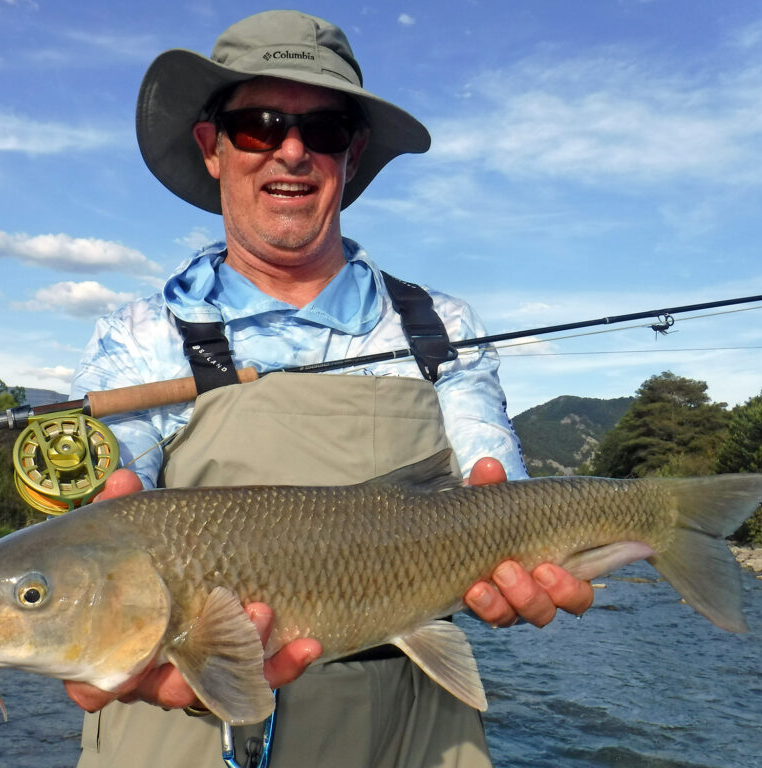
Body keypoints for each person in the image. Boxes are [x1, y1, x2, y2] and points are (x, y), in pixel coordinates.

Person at [65, 10, 593, 767]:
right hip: (186, 714)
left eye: (324, 130)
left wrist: (522, 560)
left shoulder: (438, 326)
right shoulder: (140, 335)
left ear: (353, 154)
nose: (291, 150)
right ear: (212, 147)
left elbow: (495, 482)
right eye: (258, 124)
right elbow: (112, 508)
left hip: (410, 725)